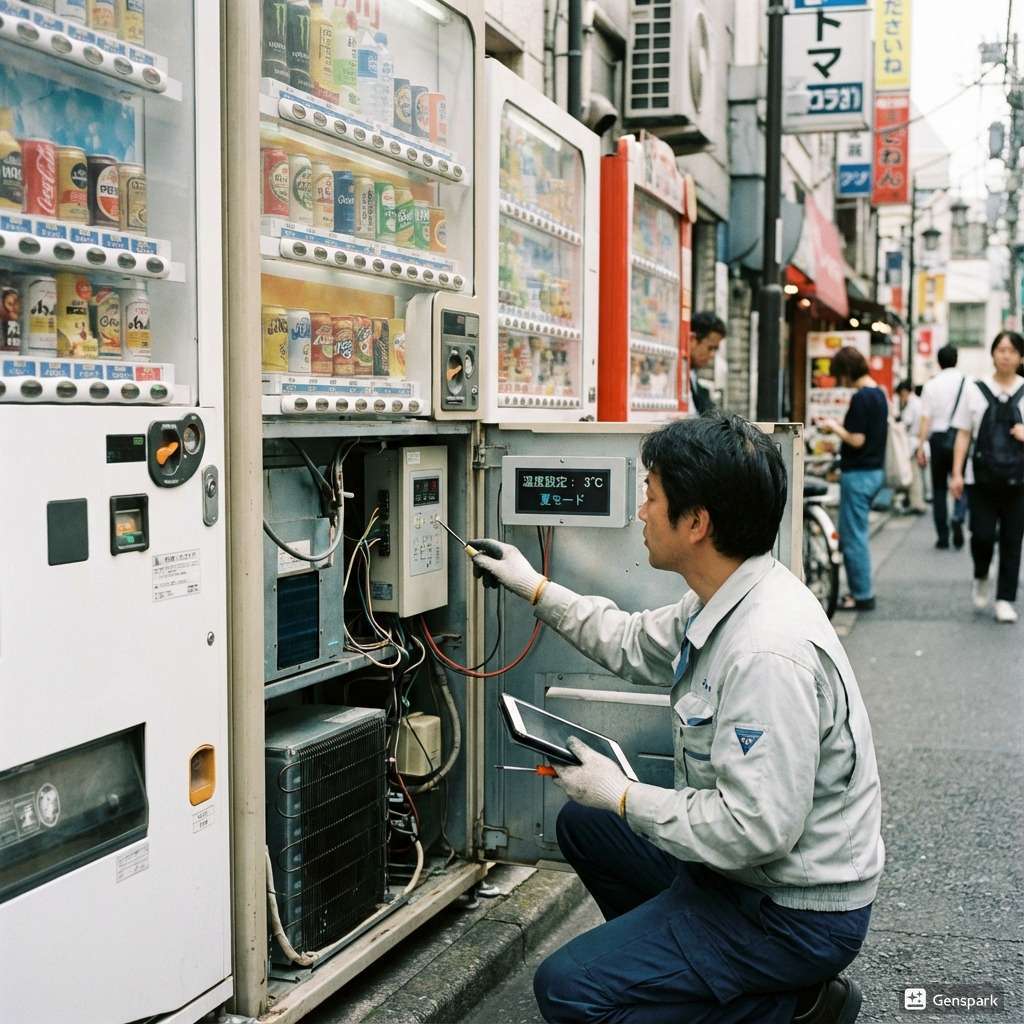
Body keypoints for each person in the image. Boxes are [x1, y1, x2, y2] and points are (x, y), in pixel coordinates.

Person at [470, 414, 883, 1024]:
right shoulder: (729, 594)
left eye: (652, 496)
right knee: (586, 821)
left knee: (567, 989)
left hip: (791, 913)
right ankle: (678, 976)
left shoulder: (765, 651)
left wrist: (626, 796)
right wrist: (533, 587)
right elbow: (632, 642)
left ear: (697, 523)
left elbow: (755, 830)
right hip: (746, 877)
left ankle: (794, 1009)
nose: (641, 512)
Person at [950, 330, 1024, 624]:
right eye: (1000, 349)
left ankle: (1004, 598)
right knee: (981, 536)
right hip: (979, 478)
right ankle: (981, 574)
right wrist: (956, 473)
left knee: (1012, 539)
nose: (1005, 355)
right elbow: (963, 433)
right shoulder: (974, 389)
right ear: (992, 354)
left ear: (1020, 357)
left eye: (1011, 350)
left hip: (1018, 480)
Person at [817, 346, 889, 611]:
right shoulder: (879, 394)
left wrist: (834, 427)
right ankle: (862, 591)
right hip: (873, 472)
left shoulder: (862, 398)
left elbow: (857, 439)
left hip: (859, 474)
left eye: (839, 375)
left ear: (846, 372)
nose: (839, 382)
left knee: (853, 536)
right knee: (855, 533)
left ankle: (862, 594)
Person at [917, 345, 968, 549]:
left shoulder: (932, 385)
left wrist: (920, 445)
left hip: (937, 439)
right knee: (960, 481)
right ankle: (958, 515)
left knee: (938, 489)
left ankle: (943, 536)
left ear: (939, 362)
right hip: (960, 437)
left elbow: (925, 418)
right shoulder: (968, 382)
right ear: (956, 359)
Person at [895, 379, 927, 515]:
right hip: (918, 442)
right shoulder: (919, 402)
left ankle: (917, 504)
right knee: (916, 474)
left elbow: (906, 423)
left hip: (912, 443)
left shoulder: (912, 404)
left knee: (914, 475)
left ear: (904, 391)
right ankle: (916, 502)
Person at [689, 311, 726, 415]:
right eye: (710, 348)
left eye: (715, 350)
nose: (712, 355)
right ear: (693, 341)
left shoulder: (695, 381)